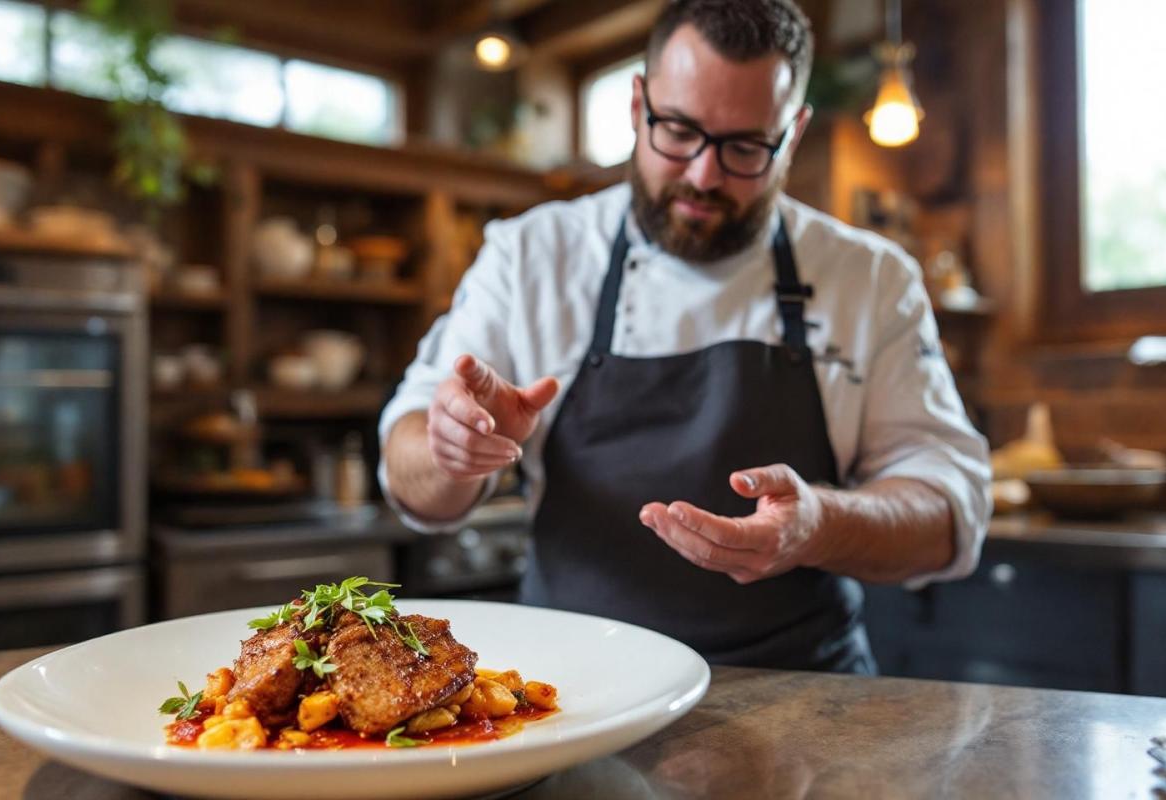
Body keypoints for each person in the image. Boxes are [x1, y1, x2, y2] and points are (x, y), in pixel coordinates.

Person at [379, 0, 991, 672]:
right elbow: (409, 472)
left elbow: (948, 513)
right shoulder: (530, 256)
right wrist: (450, 449)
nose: (704, 175)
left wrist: (820, 525)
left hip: (805, 696)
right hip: (574, 692)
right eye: (677, 131)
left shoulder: (869, 278)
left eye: (745, 147)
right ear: (637, 105)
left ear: (793, 135)